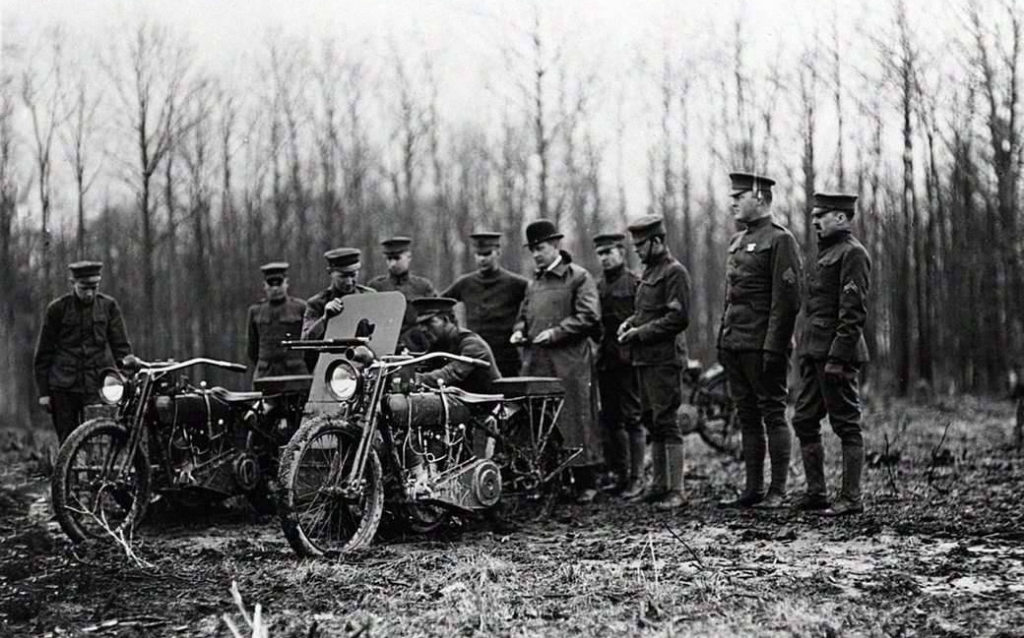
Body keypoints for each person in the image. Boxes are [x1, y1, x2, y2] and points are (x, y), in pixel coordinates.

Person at [716, 171, 804, 509]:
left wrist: (774, 346)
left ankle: (778, 490)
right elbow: (730, 297)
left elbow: (788, 301)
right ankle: (752, 488)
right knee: (746, 416)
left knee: (772, 413)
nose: (733, 202)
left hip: (764, 346)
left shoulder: (780, 240)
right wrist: (722, 341)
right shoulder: (737, 242)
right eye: (733, 196)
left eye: (740, 196)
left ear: (761, 198)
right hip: (736, 344)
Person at [511, 219, 603, 503]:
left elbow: (589, 316)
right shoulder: (534, 282)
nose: (536, 254)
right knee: (543, 423)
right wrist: (518, 331)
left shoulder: (578, 278)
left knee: (576, 420)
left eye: (540, 248)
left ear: (555, 246)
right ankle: (554, 481)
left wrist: (555, 332)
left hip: (571, 364)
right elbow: (524, 315)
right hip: (538, 364)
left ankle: (586, 482)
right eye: (533, 250)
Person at [792, 192, 872, 516]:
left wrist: (838, 357)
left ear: (841, 217)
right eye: (813, 216)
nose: (814, 221)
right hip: (815, 352)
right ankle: (816, 493)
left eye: (821, 215)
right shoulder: (826, 253)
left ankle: (852, 498)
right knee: (804, 419)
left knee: (846, 424)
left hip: (835, 355)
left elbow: (853, 312)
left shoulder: (853, 254)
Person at [619, 216, 692, 511]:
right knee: (652, 420)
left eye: (640, 245)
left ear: (657, 241)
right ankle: (659, 485)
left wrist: (640, 333)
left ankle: (677, 490)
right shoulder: (649, 272)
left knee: (667, 421)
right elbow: (646, 312)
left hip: (664, 360)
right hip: (645, 359)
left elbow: (678, 318)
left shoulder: (675, 272)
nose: (635, 250)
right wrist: (629, 323)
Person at [33, 261, 133, 443]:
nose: (89, 293)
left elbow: (121, 348)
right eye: (84, 288)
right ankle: (69, 472)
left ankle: (96, 472)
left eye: (93, 288)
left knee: (99, 438)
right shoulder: (57, 309)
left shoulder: (108, 307)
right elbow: (44, 353)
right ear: (73, 284)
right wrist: (44, 393)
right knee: (68, 439)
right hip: (63, 388)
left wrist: (125, 375)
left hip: (96, 386)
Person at [591, 232, 644, 496]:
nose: (604, 258)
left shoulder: (635, 282)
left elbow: (643, 318)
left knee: (633, 418)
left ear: (621, 253)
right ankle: (620, 474)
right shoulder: (597, 286)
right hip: (606, 361)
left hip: (629, 360)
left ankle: (637, 478)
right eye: (600, 254)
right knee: (611, 420)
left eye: (609, 252)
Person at [442, 231, 528, 377]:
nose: (482, 259)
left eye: (487, 254)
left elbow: (533, 304)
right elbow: (440, 305)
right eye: (478, 254)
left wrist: (522, 325)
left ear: (498, 252)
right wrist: (454, 329)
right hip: (475, 355)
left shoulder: (516, 283)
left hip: (506, 358)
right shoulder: (465, 283)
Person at [412, 297, 501, 394]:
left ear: (446, 320)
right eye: (420, 324)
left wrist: (415, 378)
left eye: (428, 323)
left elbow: (449, 374)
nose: (422, 329)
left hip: (486, 405)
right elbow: (423, 366)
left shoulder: (472, 344)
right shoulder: (438, 345)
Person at [367, 236, 437, 352]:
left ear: (408, 257)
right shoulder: (376, 287)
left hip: (417, 348)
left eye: (397, 258)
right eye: (389, 259)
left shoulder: (423, 286)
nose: (392, 264)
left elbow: (436, 317)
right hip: (383, 348)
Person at [246, 262, 308, 383]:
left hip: (295, 373)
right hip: (266, 374)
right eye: (270, 284)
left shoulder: (301, 308)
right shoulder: (255, 311)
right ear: (264, 285)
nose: (275, 289)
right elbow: (252, 349)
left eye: (279, 283)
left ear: (286, 283)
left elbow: (310, 345)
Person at [302, 247, 374, 342]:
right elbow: (305, 340)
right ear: (330, 272)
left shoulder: (370, 297)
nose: (348, 282)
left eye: (353, 275)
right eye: (343, 277)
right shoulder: (317, 303)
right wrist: (325, 319)